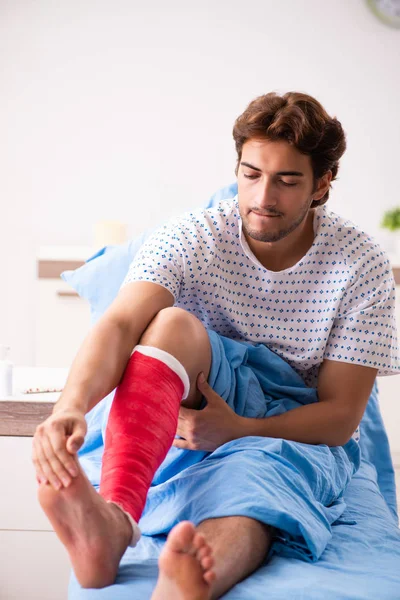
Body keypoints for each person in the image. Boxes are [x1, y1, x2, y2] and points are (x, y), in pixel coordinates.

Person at [32, 91, 399, 600]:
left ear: (322, 185)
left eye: (287, 180)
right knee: (170, 325)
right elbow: (119, 324)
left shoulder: (361, 265)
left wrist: (241, 430)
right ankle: (114, 521)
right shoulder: (192, 235)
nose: (262, 197)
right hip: (190, 399)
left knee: (256, 481)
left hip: (289, 426)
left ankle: (195, 579)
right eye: (251, 174)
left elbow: (340, 416)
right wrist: (68, 407)